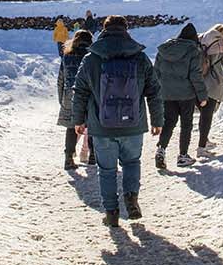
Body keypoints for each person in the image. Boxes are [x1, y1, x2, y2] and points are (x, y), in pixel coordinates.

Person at [71, 15, 162, 228]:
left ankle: (111, 212)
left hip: (101, 126)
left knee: (107, 170)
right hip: (133, 124)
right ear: (126, 29)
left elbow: (80, 91)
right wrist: (157, 119)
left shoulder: (91, 58)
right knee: (131, 162)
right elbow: (154, 90)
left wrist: (78, 120)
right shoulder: (140, 57)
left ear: (104, 29)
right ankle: (131, 197)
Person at [153, 22, 207, 170]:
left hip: (167, 94)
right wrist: (202, 96)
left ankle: (161, 150)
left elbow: (156, 72)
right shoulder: (193, 51)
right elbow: (195, 75)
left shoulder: (164, 49)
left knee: (169, 122)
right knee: (186, 124)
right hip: (186, 95)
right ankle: (183, 156)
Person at [197, 24, 223, 158]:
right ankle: (201, 147)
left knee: (203, 114)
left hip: (196, 82)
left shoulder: (200, 39)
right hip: (212, 83)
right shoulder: (220, 44)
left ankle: (205, 140)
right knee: (207, 116)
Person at [58, 30, 93, 170]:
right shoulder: (92, 56)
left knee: (71, 127)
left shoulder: (67, 56)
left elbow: (61, 79)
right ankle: (93, 156)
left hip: (69, 95)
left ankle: (68, 158)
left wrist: (61, 98)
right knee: (92, 124)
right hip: (88, 94)